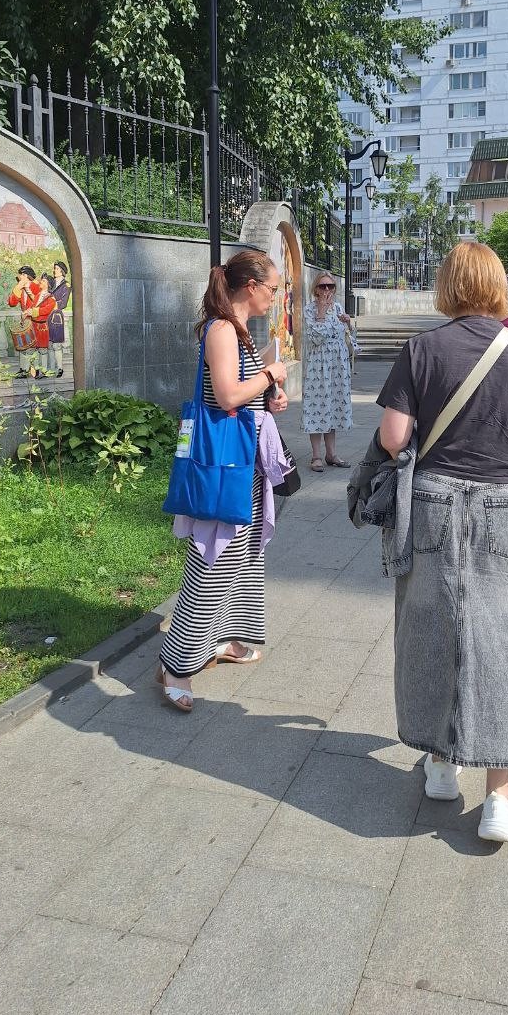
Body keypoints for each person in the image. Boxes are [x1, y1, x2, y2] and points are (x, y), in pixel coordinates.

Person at [375, 242, 508, 843]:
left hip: (434, 503)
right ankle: (498, 797)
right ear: (497, 285)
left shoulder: (422, 349)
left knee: (432, 628)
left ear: (446, 286)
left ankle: (440, 764)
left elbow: (392, 436)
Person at [157, 251, 290, 712]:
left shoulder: (241, 333)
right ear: (250, 285)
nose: (275, 297)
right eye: (272, 288)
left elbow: (240, 398)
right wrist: (270, 375)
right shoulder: (220, 330)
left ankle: (224, 639)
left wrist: (270, 398)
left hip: (241, 464)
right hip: (222, 467)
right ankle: (175, 663)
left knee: (242, 560)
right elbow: (227, 394)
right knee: (211, 564)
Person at [302, 271, 353, 472]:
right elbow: (316, 337)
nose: (326, 290)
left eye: (330, 286)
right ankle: (316, 456)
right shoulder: (309, 309)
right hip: (318, 364)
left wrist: (348, 322)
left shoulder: (338, 308)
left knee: (332, 405)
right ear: (315, 289)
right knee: (317, 405)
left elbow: (348, 335)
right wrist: (321, 312)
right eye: (322, 286)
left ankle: (331, 454)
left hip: (337, 364)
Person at [8, 265, 42, 378]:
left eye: (21, 275)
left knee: (33, 346)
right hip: (26, 321)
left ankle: (36, 370)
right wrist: (18, 287)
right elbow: (12, 302)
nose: (19, 277)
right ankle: (24, 369)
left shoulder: (36, 286)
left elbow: (40, 302)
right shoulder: (20, 288)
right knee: (23, 345)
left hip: (36, 320)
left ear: (26, 275)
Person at [46, 260, 71, 377]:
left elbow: (64, 303)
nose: (54, 270)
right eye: (54, 268)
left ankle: (60, 368)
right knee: (49, 343)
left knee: (56, 344)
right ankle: (51, 368)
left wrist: (51, 304)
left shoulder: (66, 285)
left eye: (56, 268)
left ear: (62, 271)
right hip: (47, 316)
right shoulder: (50, 283)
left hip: (56, 317)